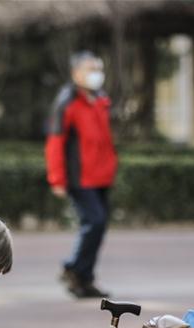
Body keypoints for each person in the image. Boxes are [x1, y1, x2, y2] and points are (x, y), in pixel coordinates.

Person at [45, 51, 117, 298]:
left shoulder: (100, 99)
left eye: (98, 68)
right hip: (80, 177)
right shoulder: (67, 102)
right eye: (90, 69)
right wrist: (57, 178)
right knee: (94, 222)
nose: (96, 74)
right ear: (76, 74)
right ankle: (74, 268)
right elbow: (55, 142)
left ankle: (84, 278)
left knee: (98, 226)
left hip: (101, 176)